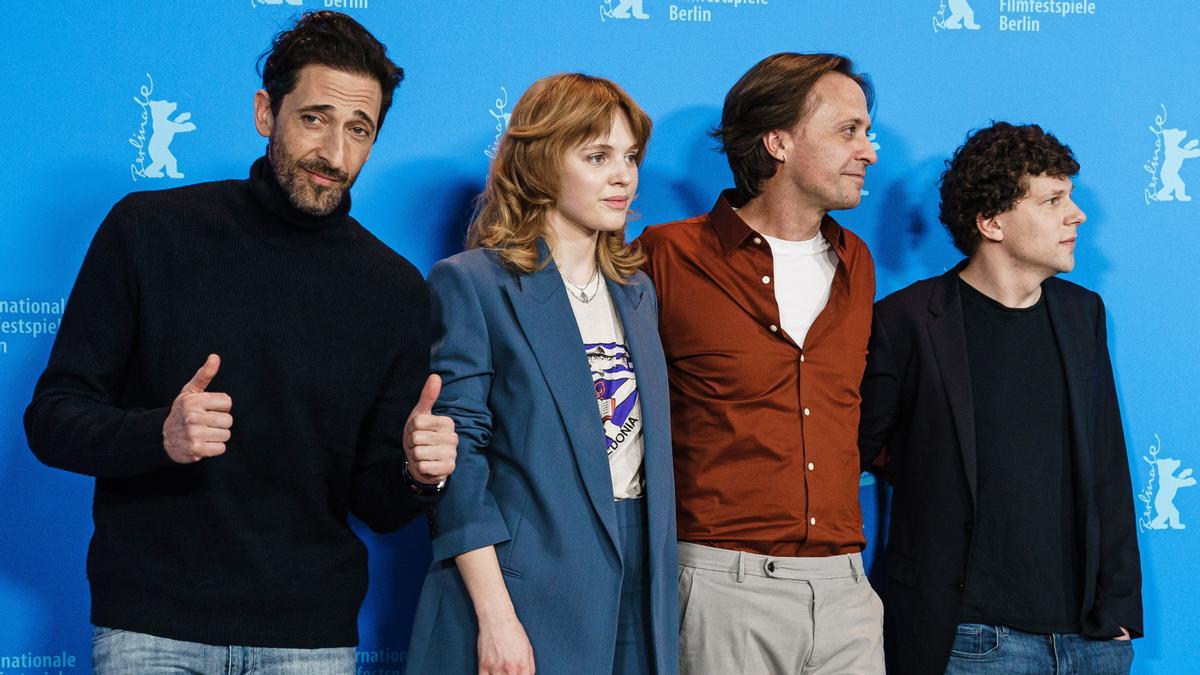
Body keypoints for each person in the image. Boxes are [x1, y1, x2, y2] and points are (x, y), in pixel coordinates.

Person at [23, 11, 456, 674]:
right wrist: (157, 435)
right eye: (315, 117)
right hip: (151, 627)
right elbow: (51, 418)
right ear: (266, 112)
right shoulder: (149, 231)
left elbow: (378, 502)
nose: (335, 155)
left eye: (358, 130)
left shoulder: (394, 289)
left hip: (309, 639)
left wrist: (416, 473)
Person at [405, 73, 678, 674]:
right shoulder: (473, 282)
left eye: (630, 157)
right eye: (597, 156)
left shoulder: (637, 292)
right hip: (526, 588)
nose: (623, 175)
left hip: (642, 584)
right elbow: (462, 467)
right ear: (542, 163)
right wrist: (497, 618)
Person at [859, 122, 1143, 674]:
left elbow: (1107, 465)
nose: (1076, 214)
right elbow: (860, 451)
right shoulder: (907, 321)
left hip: (1091, 640)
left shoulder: (1082, 314)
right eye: (1053, 199)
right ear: (991, 222)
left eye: (1072, 196)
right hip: (971, 640)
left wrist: (1119, 615)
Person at [636, 52, 883, 673]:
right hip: (722, 590)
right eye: (847, 131)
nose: (869, 151)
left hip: (847, 593)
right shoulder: (665, 257)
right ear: (778, 142)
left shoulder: (857, 262)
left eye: (867, 131)